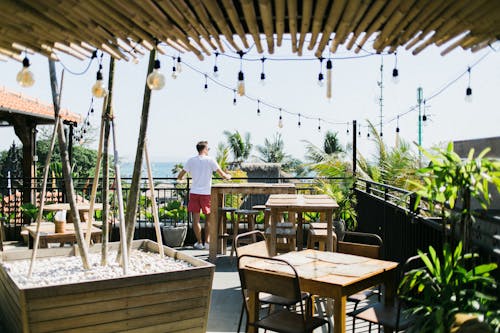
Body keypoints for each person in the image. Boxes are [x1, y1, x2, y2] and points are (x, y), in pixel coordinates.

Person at [177, 141, 231, 250]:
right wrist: (228, 176)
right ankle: (207, 242)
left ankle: (199, 243)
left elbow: (180, 176)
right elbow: (222, 175)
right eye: (208, 148)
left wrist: (182, 180)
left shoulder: (191, 161)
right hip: (206, 193)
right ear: (205, 149)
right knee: (208, 219)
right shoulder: (210, 160)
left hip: (194, 193)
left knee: (196, 220)